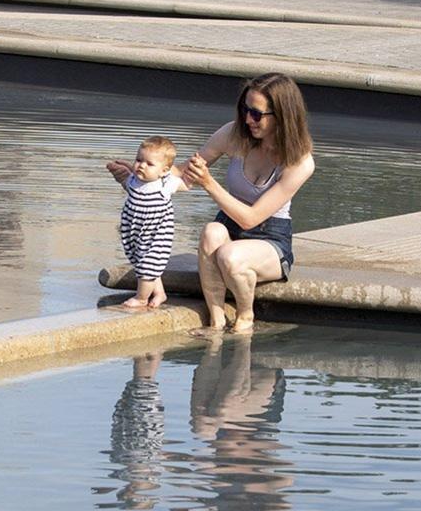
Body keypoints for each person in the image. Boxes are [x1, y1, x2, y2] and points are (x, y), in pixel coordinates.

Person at [181, 73, 315, 334]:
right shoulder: (233, 134)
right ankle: (216, 320)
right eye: (245, 109)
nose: (247, 119)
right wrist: (140, 177)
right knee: (211, 232)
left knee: (230, 256)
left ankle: (245, 317)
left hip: (270, 238)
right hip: (229, 226)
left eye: (256, 113)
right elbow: (185, 174)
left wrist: (209, 183)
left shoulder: (300, 162)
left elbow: (251, 218)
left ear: (283, 116)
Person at [106, 136, 187, 309]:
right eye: (138, 160)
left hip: (156, 234)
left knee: (149, 265)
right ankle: (159, 293)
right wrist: (122, 170)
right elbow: (126, 183)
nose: (141, 165)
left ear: (165, 170)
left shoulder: (166, 184)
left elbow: (187, 184)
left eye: (149, 164)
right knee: (141, 262)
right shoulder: (134, 181)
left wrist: (197, 170)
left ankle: (141, 298)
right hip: (133, 231)